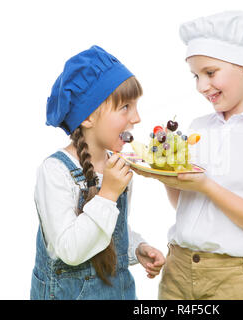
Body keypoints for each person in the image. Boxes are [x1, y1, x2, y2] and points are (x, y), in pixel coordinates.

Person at [133, 11, 243, 300]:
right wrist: (165, 175)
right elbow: (185, 204)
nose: (201, 86)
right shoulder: (199, 128)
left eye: (210, 73)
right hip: (178, 271)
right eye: (196, 76)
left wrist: (207, 186)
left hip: (236, 281)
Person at [30, 45, 165, 300]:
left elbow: (110, 230)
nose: (136, 117)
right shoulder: (55, 172)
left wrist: (136, 248)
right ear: (88, 117)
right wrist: (109, 194)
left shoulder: (117, 163)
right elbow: (70, 250)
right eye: (125, 107)